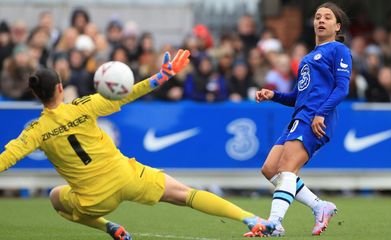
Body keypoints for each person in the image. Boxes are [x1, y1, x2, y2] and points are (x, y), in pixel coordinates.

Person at [0, 49, 268, 239]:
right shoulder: (82, 106)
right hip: (126, 176)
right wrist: (159, 77)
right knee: (186, 195)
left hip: (94, 201)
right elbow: (129, 95)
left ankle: (109, 227)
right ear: (60, 88)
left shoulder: (34, 131)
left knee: (56, 198)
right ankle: (251, 219)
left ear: (36, 94)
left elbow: (7, 157)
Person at [246, 2, 352, 237]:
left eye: (327, 17)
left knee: (286, 169)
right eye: (317, 17)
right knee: (270, 169)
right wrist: (272, 95)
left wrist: (321, 113)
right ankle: (319, 206)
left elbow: (342, 89)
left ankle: (274, 223)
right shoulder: (308, 57)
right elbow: (297, 96)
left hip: (316, 118)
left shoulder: (338, 50)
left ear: (337, 26)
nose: (321, 20)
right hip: (300, 116)